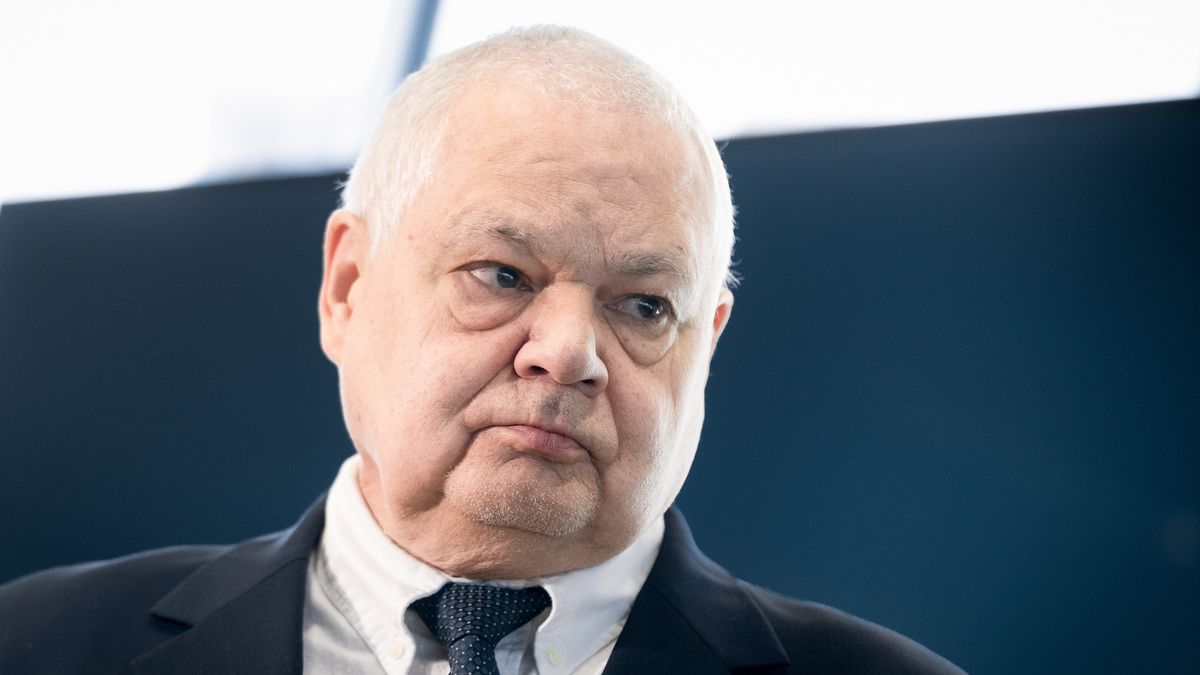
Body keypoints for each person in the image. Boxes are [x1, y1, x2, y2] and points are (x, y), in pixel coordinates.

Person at [0, 26, 964, 674]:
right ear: (348, 286)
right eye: (502, 274)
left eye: (641, 304)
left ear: (703, 346)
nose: (566, 352)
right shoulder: (37, 645)